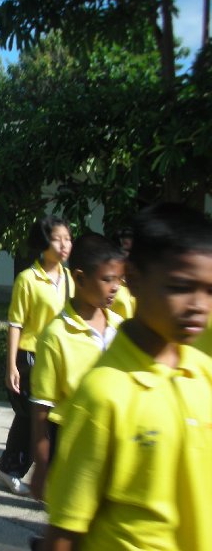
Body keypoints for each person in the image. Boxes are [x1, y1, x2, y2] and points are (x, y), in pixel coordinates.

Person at [42, 203, 212, 550]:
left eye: (209, 290)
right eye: (180, 286)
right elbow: (64, 532)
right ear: (132, 279)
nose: (199, 305)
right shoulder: (103, 395)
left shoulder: (203, 373)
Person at [28, 233, 124, 501]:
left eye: (119, 279)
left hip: (116, 443)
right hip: (73, 445)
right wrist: (41, 465)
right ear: (80, 279)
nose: (115, 287)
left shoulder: (121, 328)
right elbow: (41, 409)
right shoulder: (56, 335)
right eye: (107, 279)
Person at [0, 216, 72, 496]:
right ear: (43, 242)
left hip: (59, 358)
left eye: (68, 239)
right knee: (33, 418)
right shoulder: (27, 279)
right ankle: (13, 469)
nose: (64, 245)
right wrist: (11, 366)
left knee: (43, 418)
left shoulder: (70, 279)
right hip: (31, 357)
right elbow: (15, 324)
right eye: (57, 239)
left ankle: (18, 469)